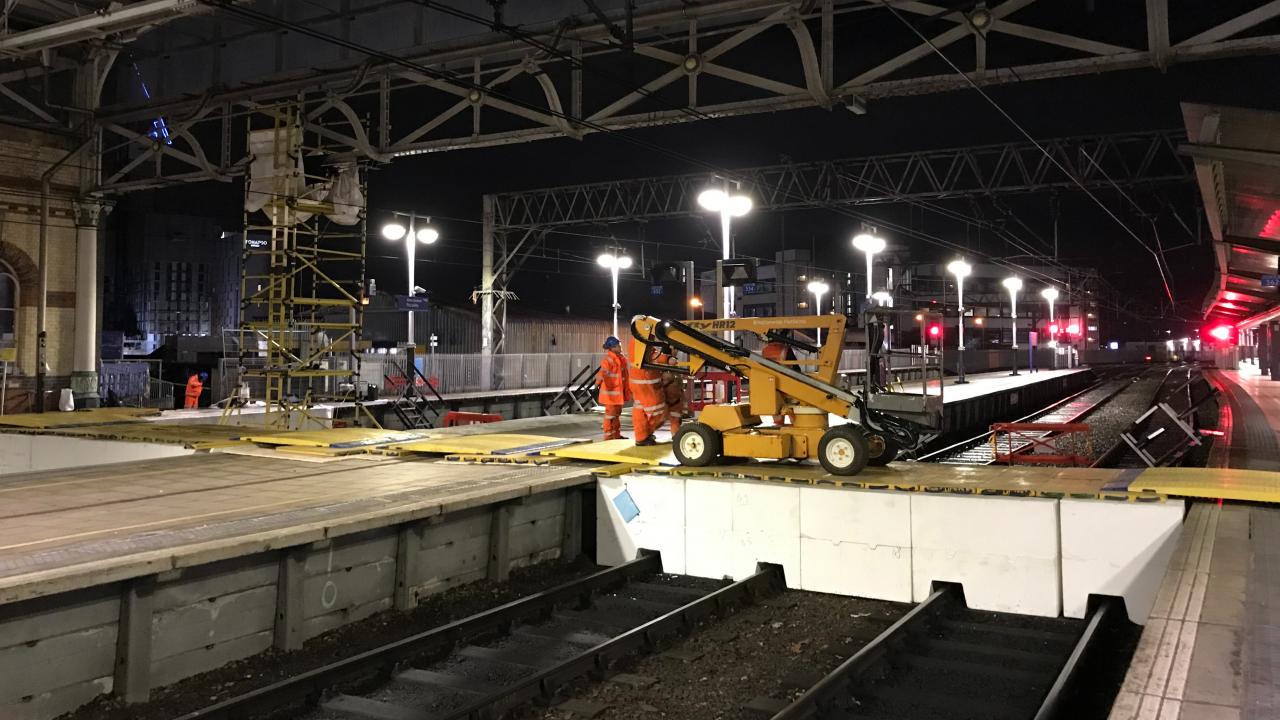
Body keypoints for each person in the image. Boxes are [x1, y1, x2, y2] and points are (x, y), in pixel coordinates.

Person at [629, 341, 669, 447]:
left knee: (640, 410)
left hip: (638, 381)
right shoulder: (643, 343)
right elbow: (652, 356)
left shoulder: (637, 342)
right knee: (657, 410)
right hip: (647, 384)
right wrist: (668, 359)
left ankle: (642, 437)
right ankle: (646, 433)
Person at [596, 336, 631, 440]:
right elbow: (602, 373)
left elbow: (625, 376)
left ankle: (616, 435)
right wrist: (597, 383)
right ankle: (608, 437)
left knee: (616, 415)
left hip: (618, 394)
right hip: (610, 395)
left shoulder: (621, 359)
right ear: (612, 348)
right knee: (610, 416)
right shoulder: (609, 360)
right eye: (618, 346)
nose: (620, 347)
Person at [761, 334, 796, 426]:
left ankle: (779, 428)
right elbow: (796, 368)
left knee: (777, 415)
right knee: (795, 416)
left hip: (772, 385)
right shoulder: (785, 349)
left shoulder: (765, 350)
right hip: (787, 385)